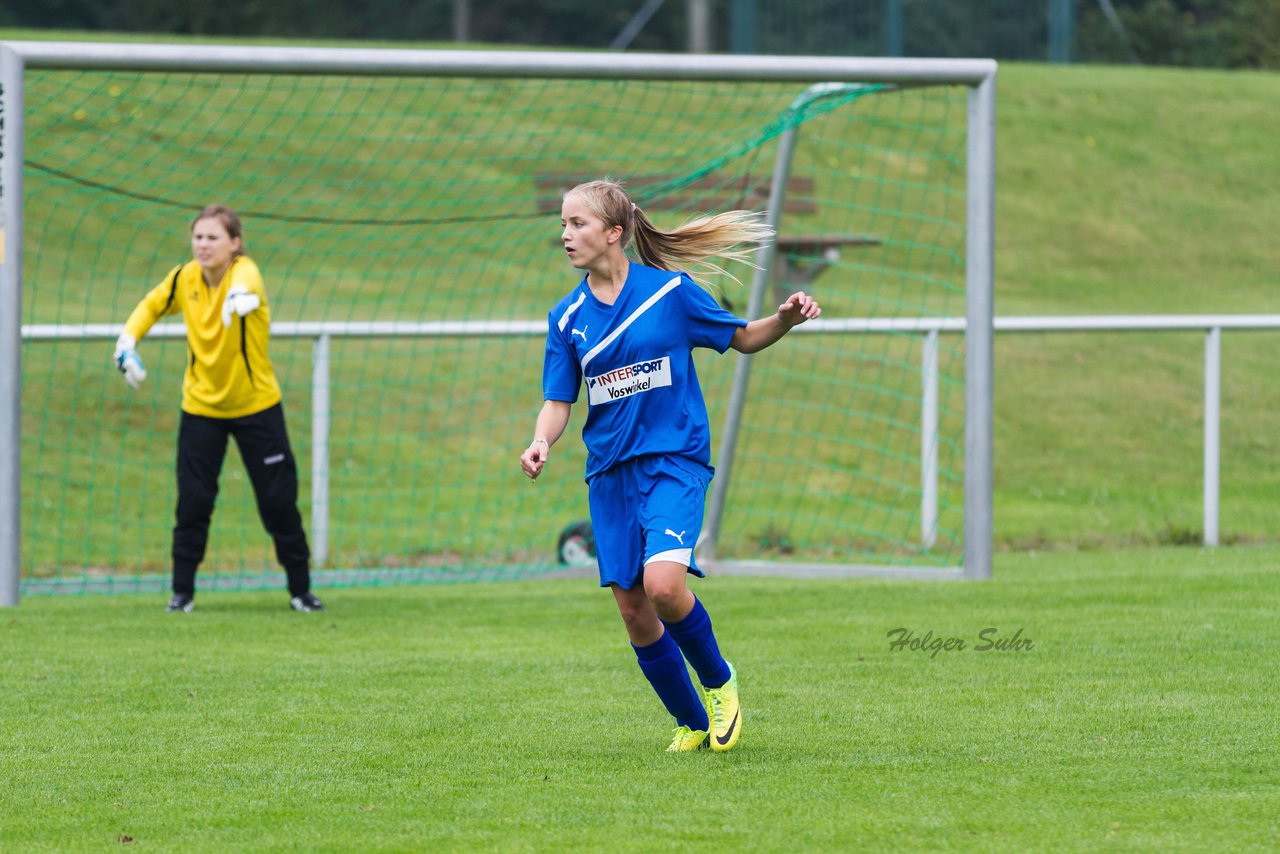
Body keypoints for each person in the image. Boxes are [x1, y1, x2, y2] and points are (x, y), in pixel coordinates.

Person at [520, 179, 821, 752]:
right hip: (610, 475)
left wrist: (784, 318)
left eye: (577, 224)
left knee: (663, 586)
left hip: (674, 462)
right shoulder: (566, 318)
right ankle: (690, 723)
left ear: (614, 232)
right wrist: (541, 441)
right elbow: (560, 400)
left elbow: (744, 338)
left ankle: (719, 681)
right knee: (634, 610)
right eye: (562, 224)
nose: (564, 236)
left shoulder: (670, 294)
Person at [112, 204, 324, 614]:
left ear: (235, 243)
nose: (203, 245)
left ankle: (301, 590)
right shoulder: (184, 277)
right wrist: (127, 342)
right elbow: (151, 306)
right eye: (198, 237)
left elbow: (247, 287)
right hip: (201, 408)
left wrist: (240, 301)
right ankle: (182, 594)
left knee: (278, 501)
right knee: (193, 501)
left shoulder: (245, 272)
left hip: (256, 406)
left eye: (213, 238)